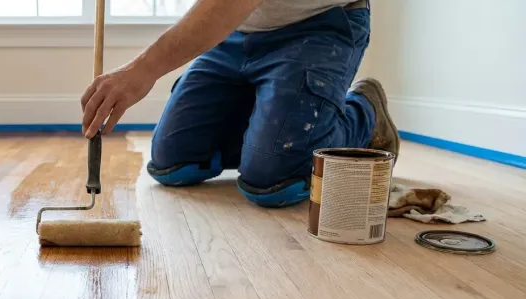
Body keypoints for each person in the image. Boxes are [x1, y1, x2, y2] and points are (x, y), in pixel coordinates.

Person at [80, 0, 399, 207]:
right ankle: (271, 121)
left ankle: (366, 114)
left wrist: (143, 69)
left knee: (274, 178)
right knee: (172, 161)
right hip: (235, 30)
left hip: (318, 25)